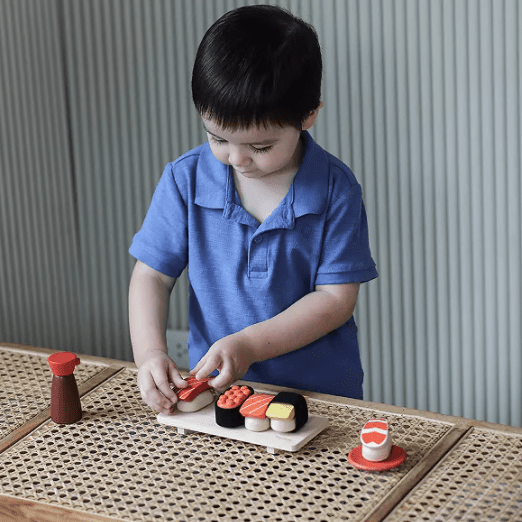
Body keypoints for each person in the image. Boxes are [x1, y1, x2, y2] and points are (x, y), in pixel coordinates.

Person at [129, 4, 378, 415]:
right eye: (218, 138)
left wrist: (247, 344)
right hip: (216, 396)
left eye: (260, 147)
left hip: (320, 399)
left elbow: (335, 299)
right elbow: (152, 276)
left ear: (308, 115)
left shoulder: (335, 189)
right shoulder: (185, 180)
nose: (237, 159)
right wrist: (150, 354)